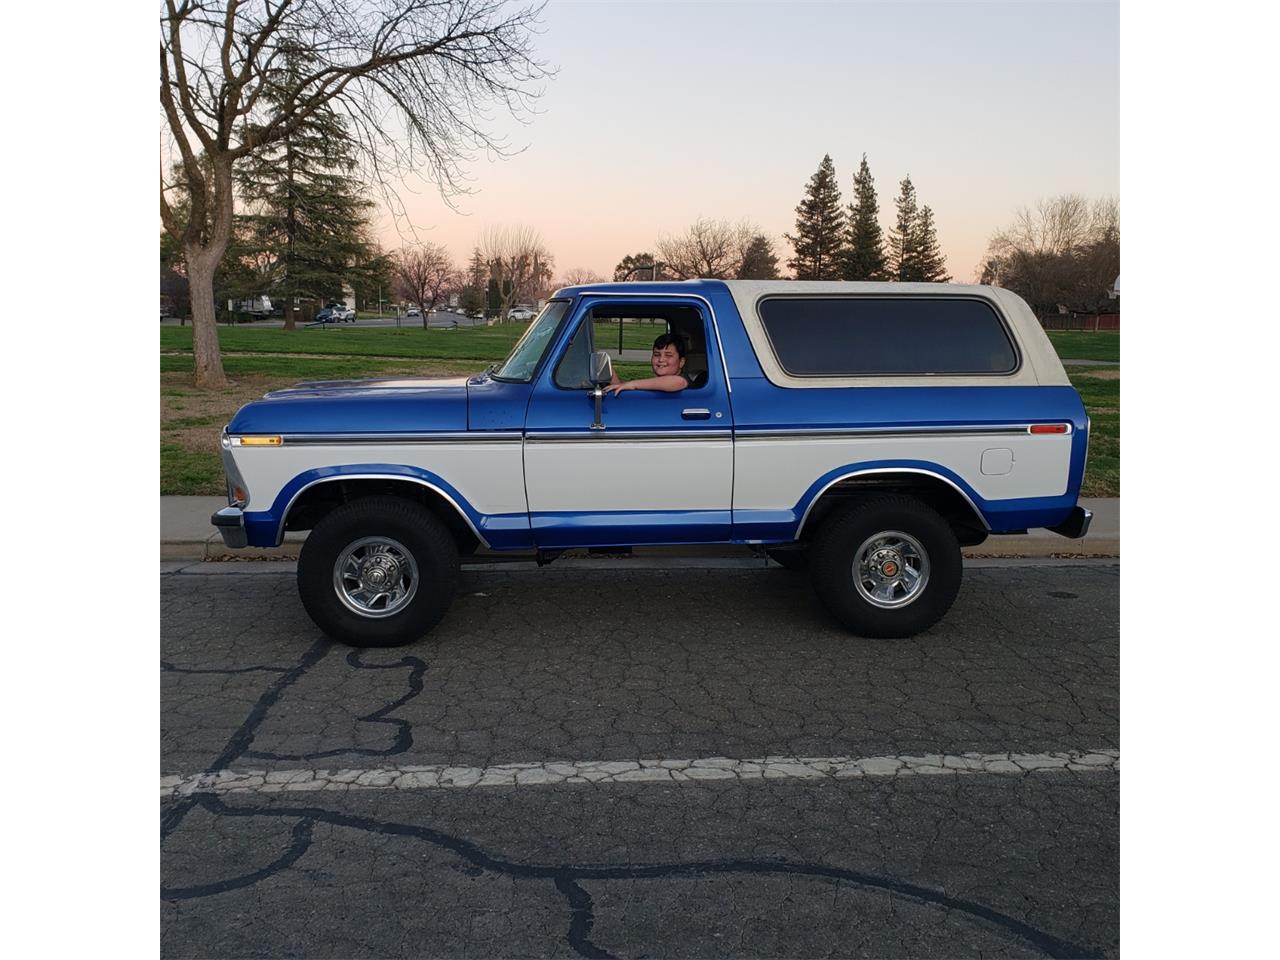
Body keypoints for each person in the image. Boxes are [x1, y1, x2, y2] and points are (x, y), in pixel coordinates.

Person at [605, 333, 691, 395]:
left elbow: (678, 382)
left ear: (681, 362)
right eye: (657, 354)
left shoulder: (682, 380)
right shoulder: (653, 383)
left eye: (668, 355)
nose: (661, 359)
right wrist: (609, 371)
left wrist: (633, 384)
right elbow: (622, 389)